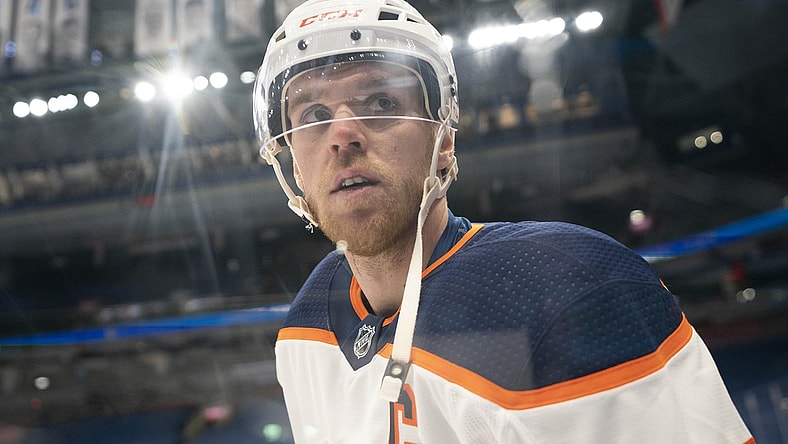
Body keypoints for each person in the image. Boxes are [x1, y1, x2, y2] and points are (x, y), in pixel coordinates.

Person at [252, 0, 754, 442]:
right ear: (292, 159)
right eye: (313, 114)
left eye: (381, 102)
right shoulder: (305, 326)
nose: (342, 134)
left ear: (444, 139)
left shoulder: (569, 287)